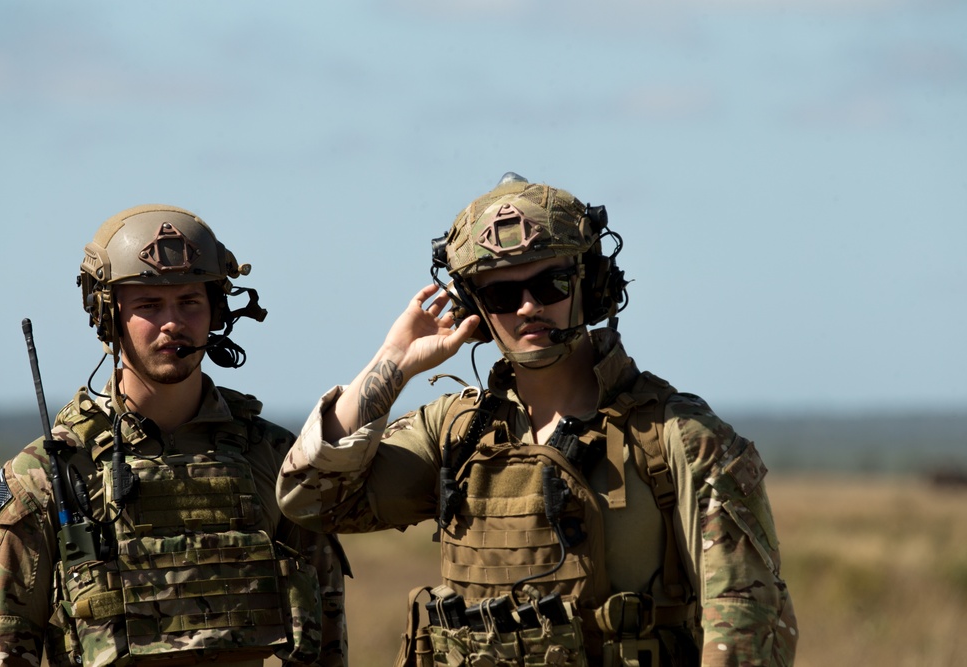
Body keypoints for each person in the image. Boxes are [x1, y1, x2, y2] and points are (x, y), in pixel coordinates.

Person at [277, 172, 798, 667]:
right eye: (502, 294)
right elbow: (309, 499)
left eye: (550, 284)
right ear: (474, 307)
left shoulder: (678, 437)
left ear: (589, 283)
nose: (527, 307)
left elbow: (748, 622)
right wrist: (392, 364)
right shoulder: (456, 432)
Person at [0, 204, 348, 667]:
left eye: (190, 302)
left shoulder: (274, 458)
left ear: (216, 311)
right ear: (108, 315)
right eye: (148, 304)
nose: (173, 322)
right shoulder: (49, 473)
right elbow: (1, 645)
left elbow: (326, 631)